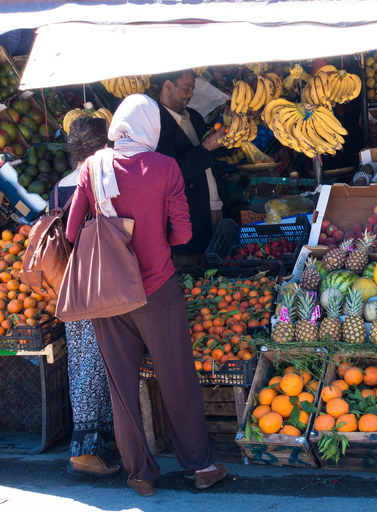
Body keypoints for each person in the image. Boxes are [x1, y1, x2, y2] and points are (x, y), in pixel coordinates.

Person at [65, 94, 227, 497]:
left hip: (109, 295)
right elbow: (184, 234)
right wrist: (157, 240)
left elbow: (70, 233)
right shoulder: (164, 167)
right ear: (150, 128)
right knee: (177, 380)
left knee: (121, 388)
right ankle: (201, 466)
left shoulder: (91, 167)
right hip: (157, 289)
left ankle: (140, 474)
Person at [51, 116, 118, 478]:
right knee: (96, 363)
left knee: (81, 360)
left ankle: (98, 443)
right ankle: (86, 448)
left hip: (69, 284)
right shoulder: (99, 179)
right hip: (99, 282)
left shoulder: (59, 186)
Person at [153, 70, 227, 267]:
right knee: (195, 276)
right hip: (189, 217)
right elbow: (171, 173)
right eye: (187, 88)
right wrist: (207, 146)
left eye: (192, 89)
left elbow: (210, 154)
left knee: (222, 274)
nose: (191, 95)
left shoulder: (193, 116)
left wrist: (219, 138)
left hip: (215, 207)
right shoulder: (156, 125)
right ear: (168, 86)